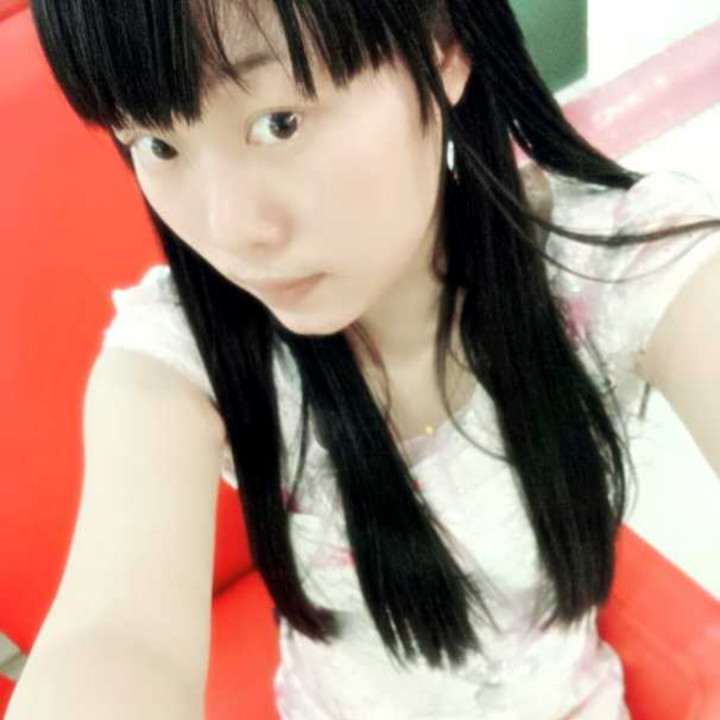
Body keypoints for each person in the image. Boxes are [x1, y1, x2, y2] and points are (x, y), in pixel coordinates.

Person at [16, 0, 720, 718]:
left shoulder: (611, 264)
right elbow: (114, 639)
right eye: (157, 145)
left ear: (444, 46)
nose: (231, 230)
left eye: (280, 122)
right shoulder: (184, 357)